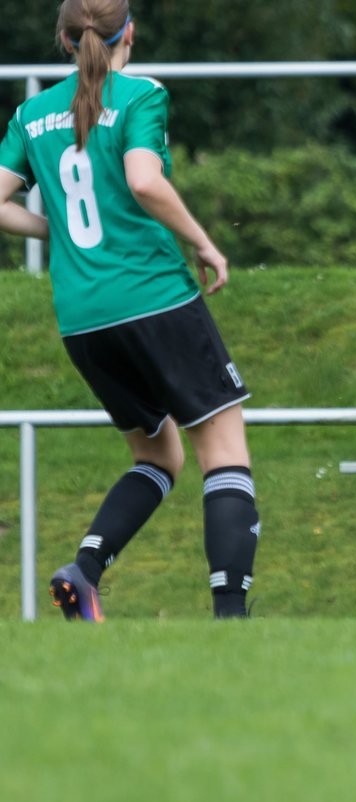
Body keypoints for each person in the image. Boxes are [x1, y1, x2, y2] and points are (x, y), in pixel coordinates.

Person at [0, 0, 259, 620]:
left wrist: (55, 231)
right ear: (129, 33)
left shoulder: (31, 113)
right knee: (222, 450)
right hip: (153, 297)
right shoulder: (141, 94)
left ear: (65, 41)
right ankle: (232, 620)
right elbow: (143, 180)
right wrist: (202, 240)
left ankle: (84, 571)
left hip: (83, 321)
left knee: (158, 456)